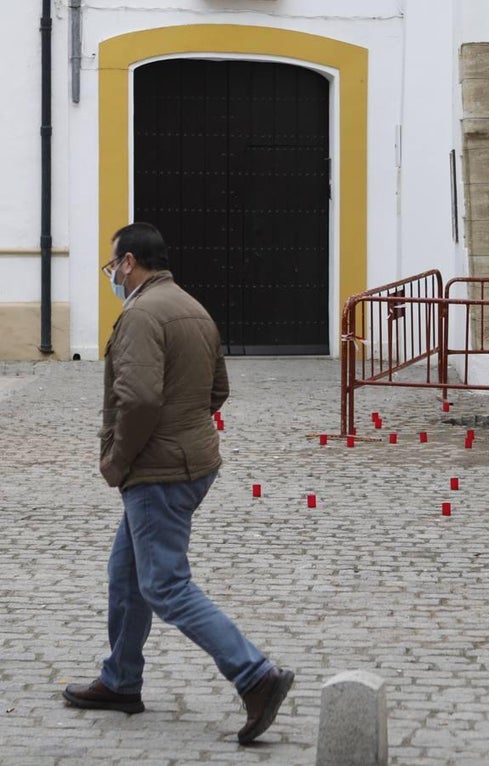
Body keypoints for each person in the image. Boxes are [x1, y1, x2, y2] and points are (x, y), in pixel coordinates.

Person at [63, 222, 293, 745]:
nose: (111, 275)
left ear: (128, 263)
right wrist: (186, 428)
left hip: (158, 470)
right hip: (191, 461)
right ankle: (121, 679)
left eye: (111, 265)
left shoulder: (141, 315)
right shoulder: (192, 306)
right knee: (126, 572)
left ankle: (254, 674)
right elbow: (218, 388)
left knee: (164, 584)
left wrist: (117, 459)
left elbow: (140, 399)